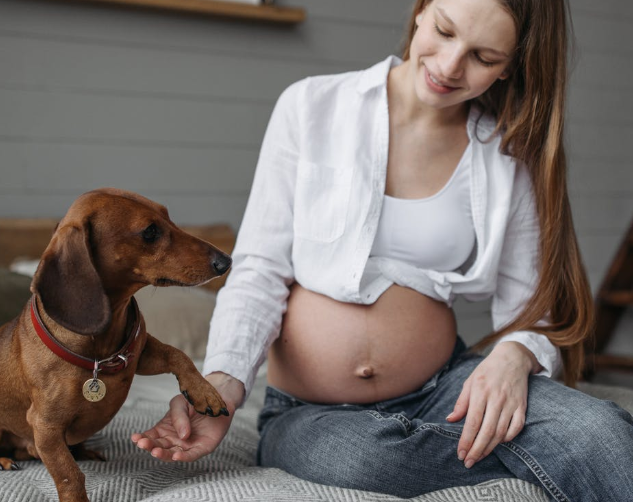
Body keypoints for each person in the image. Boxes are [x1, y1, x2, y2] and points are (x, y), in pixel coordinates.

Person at [132, 0, 633, 499]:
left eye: (484, 58)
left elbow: (532, 307)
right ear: (420, 11)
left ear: (512, 67)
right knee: (366, 460)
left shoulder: (507, 155)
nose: (449, 65)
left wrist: (514, 356)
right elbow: (261, 269)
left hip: (446, 387)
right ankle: (531, 458)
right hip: (311, 411)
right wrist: (223, 382)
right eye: (443, 30)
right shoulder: (311, 106)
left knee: (600, 433)